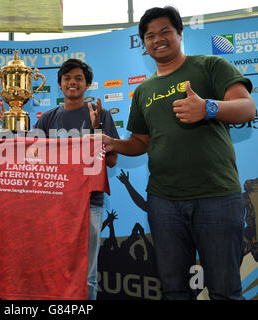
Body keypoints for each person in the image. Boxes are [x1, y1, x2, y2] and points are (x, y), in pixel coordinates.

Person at [99, 6, 256, 300]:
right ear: (144, 45)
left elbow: (248, 108)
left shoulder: (211, 65)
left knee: (225, 290)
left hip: (217, 196)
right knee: (174, 290)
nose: (157, 39)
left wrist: (208, 108)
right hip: (164, 202)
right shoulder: (143, 90)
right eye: (149, 36)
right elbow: (140, 142)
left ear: (180, 34)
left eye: (164, 32)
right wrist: (113, 142)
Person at [0, 58, 119, 300]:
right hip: (52, 206)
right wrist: (8, 128)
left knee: (87, 274)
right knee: (52, 270)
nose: (72, 83)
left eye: (78, 79)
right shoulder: (48, 118)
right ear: (60, 85)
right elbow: (28, 156)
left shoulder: (100, 114)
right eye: (67, 79)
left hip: (89, 205)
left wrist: (96, 132)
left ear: (87, 85)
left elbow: (112, 161)